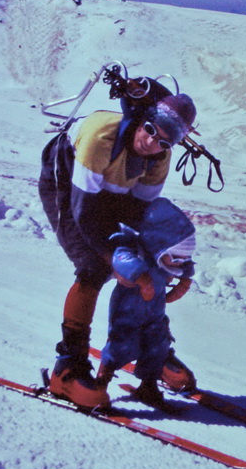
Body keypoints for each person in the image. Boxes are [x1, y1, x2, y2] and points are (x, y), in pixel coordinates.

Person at [38, 84, 197, 408]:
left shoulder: (158, 158)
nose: (152, 142)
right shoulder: (100, 137)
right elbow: (85, 216)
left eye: (164, 141)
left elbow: (143, 219)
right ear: (142, 118)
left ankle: (153, 353)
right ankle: (67, 368)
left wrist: (171, 263)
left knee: (147, 257)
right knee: (94, 266)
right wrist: (116, 259)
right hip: (68, 184)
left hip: (112, 193)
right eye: (150, 130)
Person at [93, 197, 198, 410]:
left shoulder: (166, 261)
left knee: (157, 345)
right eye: (176, 258)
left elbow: (185, 268)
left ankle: (148, 385)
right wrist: (141, 277)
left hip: (155, 315)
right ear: (160, 246)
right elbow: (120, 259)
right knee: (122, 343)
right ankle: (101, 380)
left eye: (183, 259)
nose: (179, 263)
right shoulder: (139, 252)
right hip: (128, 311)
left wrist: (184, 281)